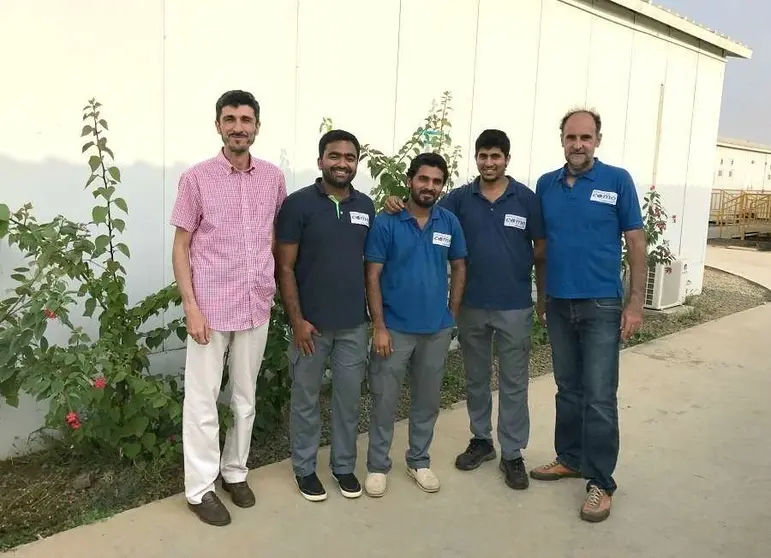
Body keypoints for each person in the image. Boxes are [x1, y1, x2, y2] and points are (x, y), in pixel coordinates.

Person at [382, 130, 546, 491]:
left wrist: (539, 293)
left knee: (514, 382)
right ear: (476, 159)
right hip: (471, 305)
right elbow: (425, 212)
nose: (489, 162)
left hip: (514, 304)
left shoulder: (526, 200)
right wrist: (393, 201)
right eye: (483, 156)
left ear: (507, 159)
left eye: (496, 156)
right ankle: (482, 440)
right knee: (476, 377)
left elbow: (541, 249)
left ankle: (513, 452)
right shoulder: (459, 199)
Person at [170, 90, 287, 526]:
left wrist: (269, 284)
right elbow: (181, 246)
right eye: (230, 118)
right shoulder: (196, 179)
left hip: (255, 304)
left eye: (246, 119)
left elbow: (274, 233)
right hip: (210, 310)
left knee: (245, 398)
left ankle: (235, 472)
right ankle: (199, 489)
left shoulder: (272, 178)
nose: (239, 126)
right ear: (217, 125)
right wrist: (191, 307)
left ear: (257, 126)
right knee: (201, 402)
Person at [529, 108, 646, 523]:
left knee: (599, 396)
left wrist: (635, 303)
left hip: (601, 305)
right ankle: (571, 458)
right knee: (567, 388)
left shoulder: (617, 181)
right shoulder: (547, 185)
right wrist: (542, 298)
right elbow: (540, 248)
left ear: (598, 140)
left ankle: (600, 481)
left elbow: (635, 242)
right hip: (559, 304)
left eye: (586, 137)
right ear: (561, 139)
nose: (578, 144)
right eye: (571, 137)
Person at [275, 129, 375, 502]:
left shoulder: (366, 207)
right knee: (305, 400)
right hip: (310, 327)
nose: (342, 163)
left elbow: (369, 267)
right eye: (335, 156)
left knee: (348, 401)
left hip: (353, 324)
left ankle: (343, 466)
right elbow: (284, 268)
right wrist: (297, 320)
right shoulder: (298, 205)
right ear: (320, 161)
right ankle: (304, 468)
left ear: (356, 163)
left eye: (349, 157)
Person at [363, 152, 467, 498]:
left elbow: (460, 266)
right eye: (423, 179)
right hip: (394, 329)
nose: (429, 186)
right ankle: (378, 466)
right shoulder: (387, 221)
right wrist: (379, 325)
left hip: (435, 329)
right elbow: (372, 274)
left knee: (426, 400)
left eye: (437, 181)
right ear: (410, 180)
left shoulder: (448, 222)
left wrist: (451, 312)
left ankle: (419, 460)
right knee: (384, 400)